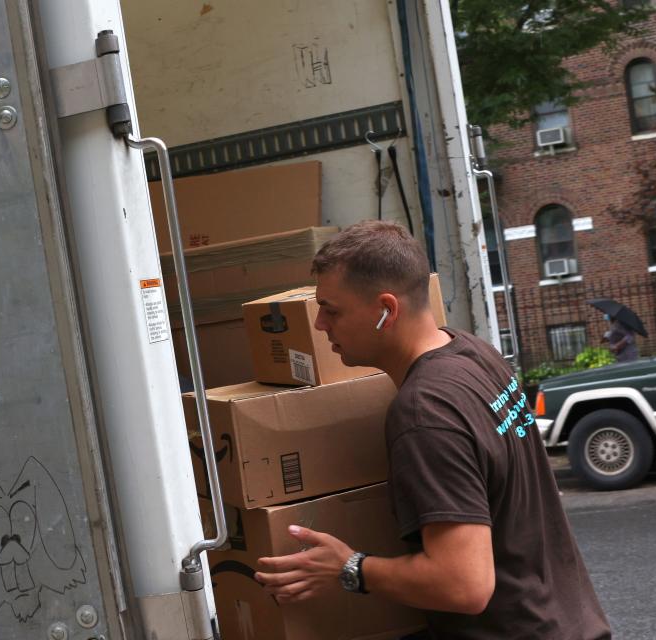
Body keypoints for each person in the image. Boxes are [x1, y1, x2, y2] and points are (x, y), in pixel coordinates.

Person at [254, 221, 611, 639]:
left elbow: (464, 586)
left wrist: (349, 567)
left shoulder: (424, 413)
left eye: (332, 310)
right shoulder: (474, 351)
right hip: (567, 622)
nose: (319, 325)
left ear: (386, 309)